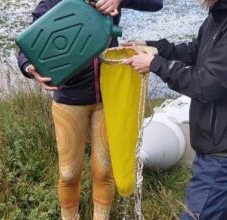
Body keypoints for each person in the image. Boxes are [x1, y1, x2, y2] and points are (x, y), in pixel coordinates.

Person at [124, 0, 227, 219]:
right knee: (222, 213)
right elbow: (193, 52)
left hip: (226, 148)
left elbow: (207, 84)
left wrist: (156, 64)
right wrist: (152, 46)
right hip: (213, 142)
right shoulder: (219, 15)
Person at [17, 0, 163, 219]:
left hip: (108, 97)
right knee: (68, 174)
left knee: (104, 171)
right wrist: (29, 67)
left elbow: (155, 3)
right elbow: (28, 43)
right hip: (69, 98)